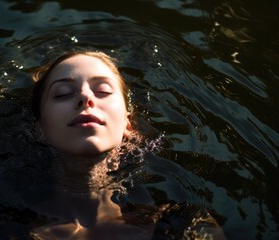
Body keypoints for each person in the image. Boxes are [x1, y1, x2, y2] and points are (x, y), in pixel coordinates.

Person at [28, 50, 226, 240]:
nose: (85, 97)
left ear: (127, 125)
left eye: (103, 91)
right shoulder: (2, 229)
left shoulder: (189, 225)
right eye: (62, 93)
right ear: (40, 129)